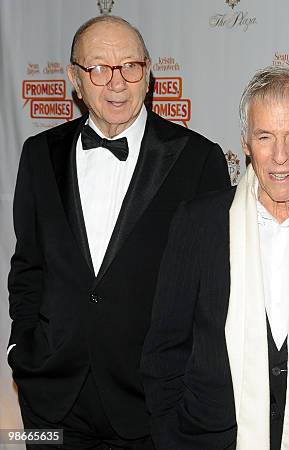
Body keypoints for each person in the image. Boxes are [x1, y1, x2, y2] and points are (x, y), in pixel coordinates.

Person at [7, 15, 230, 449]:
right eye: (99, 68)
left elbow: (214, 291)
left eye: (130, 66)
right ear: (74, 78)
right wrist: (22, 351)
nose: (117, 83)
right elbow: (28, 266)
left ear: (148, 74)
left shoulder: (198, 161)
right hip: (51, 400)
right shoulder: (39, 155)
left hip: (152, 406)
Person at [141, 66, 289, 450]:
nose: (280, 156)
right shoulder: (198, 222)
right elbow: (164, 348)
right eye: (265, 136)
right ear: (246, 142)